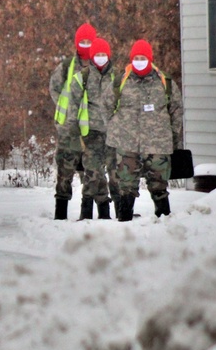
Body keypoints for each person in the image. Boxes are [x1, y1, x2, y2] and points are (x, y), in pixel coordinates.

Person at [105, 39, 183, 222]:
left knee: (158, 183)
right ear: (132, 59)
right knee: (126, 183)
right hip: (127, 142)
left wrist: (172, 135)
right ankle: (125, 220)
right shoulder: (120, 81)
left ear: (150, 59)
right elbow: (106, 105)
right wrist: (116, 127)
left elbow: (176, 109)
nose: (139, 61)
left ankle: (164, 220)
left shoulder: (165, 82)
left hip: (157, 143)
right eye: (136, 58)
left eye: (143, 57)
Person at [48, 23, 96, 220]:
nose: (85, 45)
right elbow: (55, 89)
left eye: (89, 41)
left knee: (91, 174)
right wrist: (67, 110)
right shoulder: (67, 66)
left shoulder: (99, 65)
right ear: (77, 43)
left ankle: (87, 215)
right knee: (65, 173)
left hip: (93, 129)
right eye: (82, 42)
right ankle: (60, 215)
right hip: (69, 130)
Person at [82, 37, 116, 220]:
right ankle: (86, 211)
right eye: (98, 55)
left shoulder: (117, 77)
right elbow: (74, 104)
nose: (101, 58)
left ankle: (120, 214)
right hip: (92, 133)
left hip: (113, 133)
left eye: (104, 54)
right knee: (93, 173)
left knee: (116, 175)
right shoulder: (84, 77)